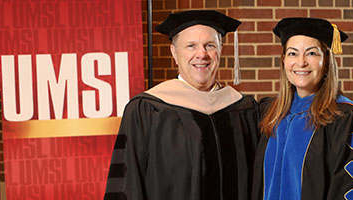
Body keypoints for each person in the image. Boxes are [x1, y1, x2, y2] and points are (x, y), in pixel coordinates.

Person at [104, 10, 260, 200]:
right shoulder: (147, 109)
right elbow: (128, 184)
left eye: (209, 45)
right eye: (191, 46)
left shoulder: (243, 109)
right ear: (174, 53)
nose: (201, 54)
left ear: (220, 50)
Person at [251, 17, 353, 200]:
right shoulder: (270, 113)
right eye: (292, 53)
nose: (301, 62)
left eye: (312, 53)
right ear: (283, 60)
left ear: (327, 61)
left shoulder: (346, 117)